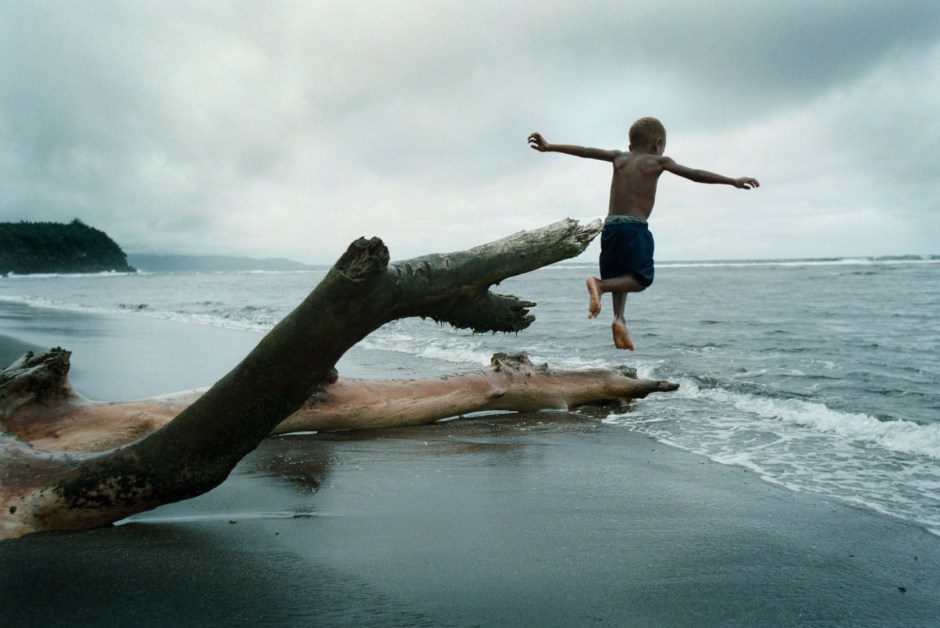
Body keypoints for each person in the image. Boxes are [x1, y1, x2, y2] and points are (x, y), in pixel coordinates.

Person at [528, 117, 759, 350]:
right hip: (634, 228)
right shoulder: (659, 161)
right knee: (640, 280)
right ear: (657, 144)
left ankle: (619, 320)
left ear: (631, 146)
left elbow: (585, 151)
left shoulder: (619, 157)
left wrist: (550, 146)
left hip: (611, 227)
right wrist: (732, 181)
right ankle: (599, 286)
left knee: (620, 277)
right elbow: (694, 173)